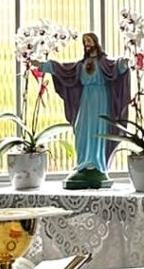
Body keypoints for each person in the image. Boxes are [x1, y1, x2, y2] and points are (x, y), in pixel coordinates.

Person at [41, 33, 131, 184]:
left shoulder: (103, 63)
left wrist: (123, 63)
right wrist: (45, 66)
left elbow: (115, 67)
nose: (87, 44)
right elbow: (65, 70)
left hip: (101, 99)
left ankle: (96, 164)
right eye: (85, 42)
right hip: (85, 99)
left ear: (95, 42)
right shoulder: (81, 65)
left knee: (98, 131)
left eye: (89, 40)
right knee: (82, 129)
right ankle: (83, 162)